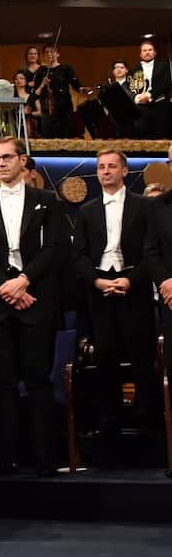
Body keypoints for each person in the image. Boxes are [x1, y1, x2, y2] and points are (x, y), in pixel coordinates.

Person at [0, 137, 68, 476]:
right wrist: (7, 285)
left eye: (7, 157)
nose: (0, 163)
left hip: (36, 300)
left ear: (23, 160)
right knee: (3, 382)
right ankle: (6, 458)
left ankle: (45, 458)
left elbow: (54, 248)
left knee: (38, 380)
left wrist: (24, 280)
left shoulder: (47, 201)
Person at [74, 150, 156, 438]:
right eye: (101, 167)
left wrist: (131, 280)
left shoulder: (145, 206)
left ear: (125, 171)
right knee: (105, 358)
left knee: (142, 357)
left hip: (134, 286)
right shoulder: (86, 211)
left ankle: (147, 422)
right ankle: (109, 422)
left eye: (111, 166)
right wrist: (97, 281)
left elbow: (152, 252)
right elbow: (79, 255)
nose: (105, 171)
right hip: (100, 290)